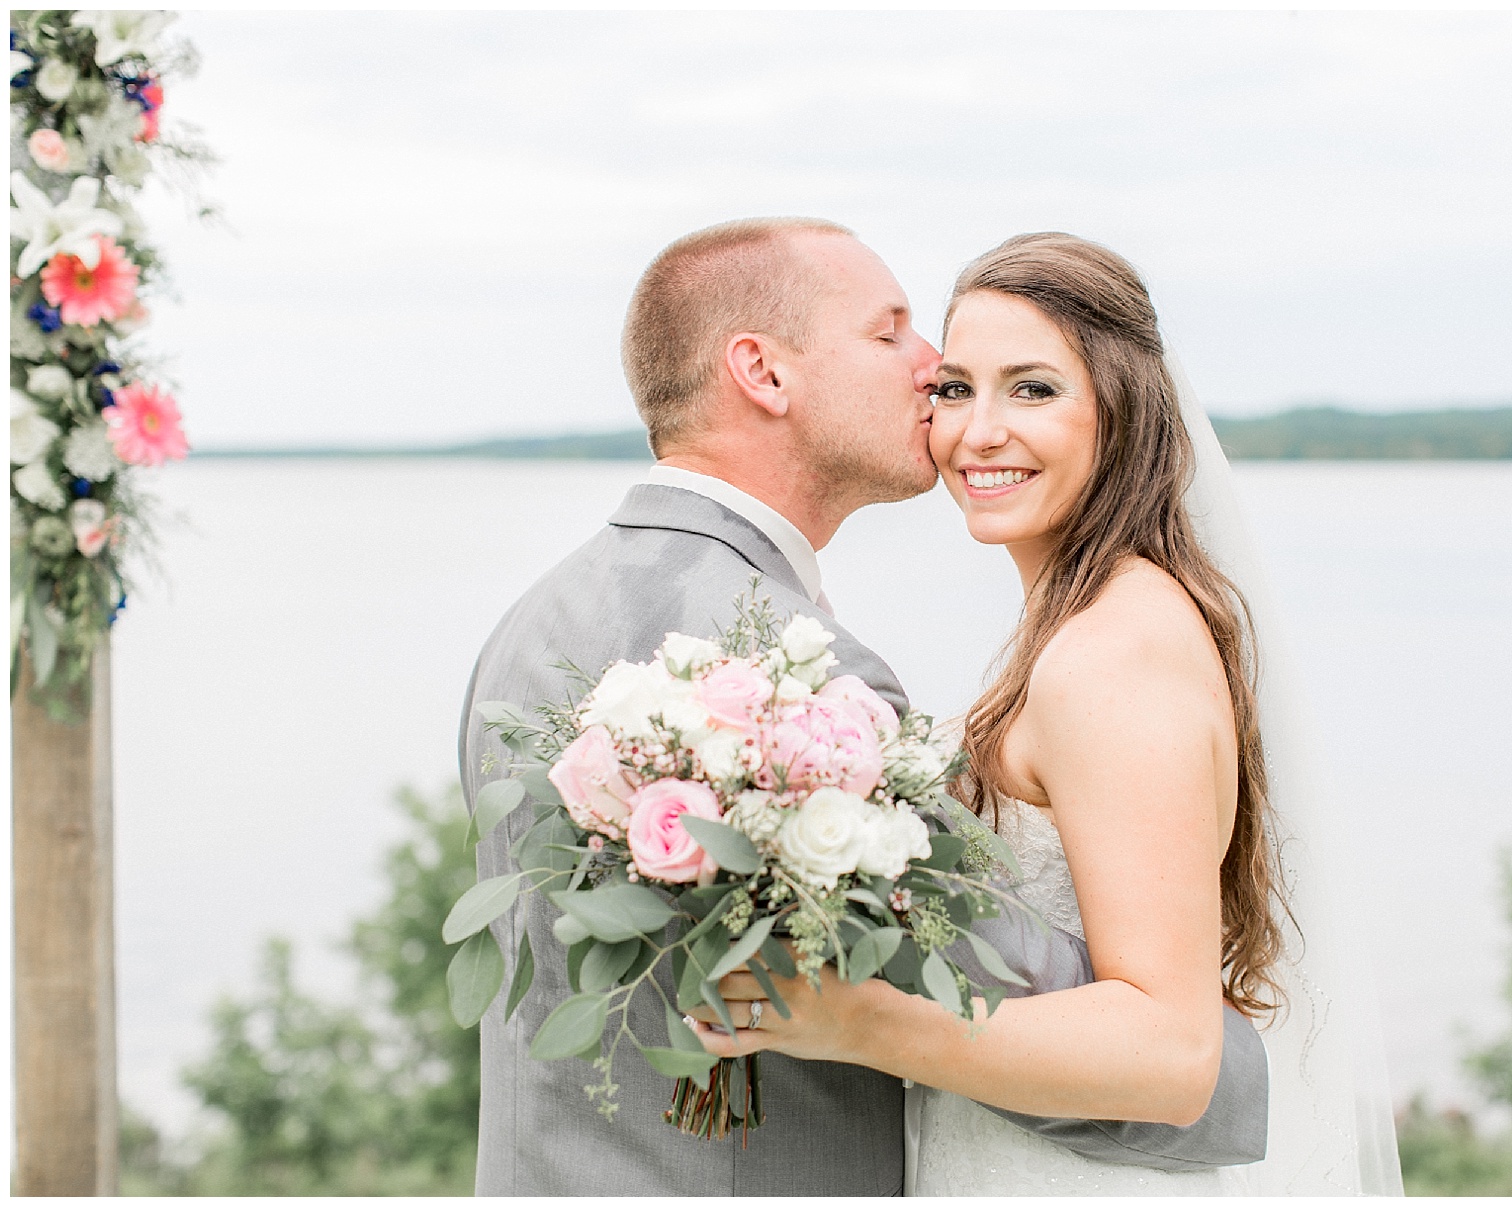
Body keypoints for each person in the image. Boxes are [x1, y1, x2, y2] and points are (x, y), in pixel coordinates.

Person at [457, 218, 1272, 1196]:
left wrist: (1180, 1054)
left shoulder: (529, 626)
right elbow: (983, 976)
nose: (932, 376)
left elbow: (1150, 1040)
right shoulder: (787, 660)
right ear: (764, 372)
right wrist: (1233, 1076)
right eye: (895, 336)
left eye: (1031, 387)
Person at [686, 232, 1405, 1195]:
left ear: (1123, 409)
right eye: (955, 388)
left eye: (1033, 389)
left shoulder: (1115, 652)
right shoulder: (1084, 621)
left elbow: (1173, 1052)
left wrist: (857, 1020)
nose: (979, 432)